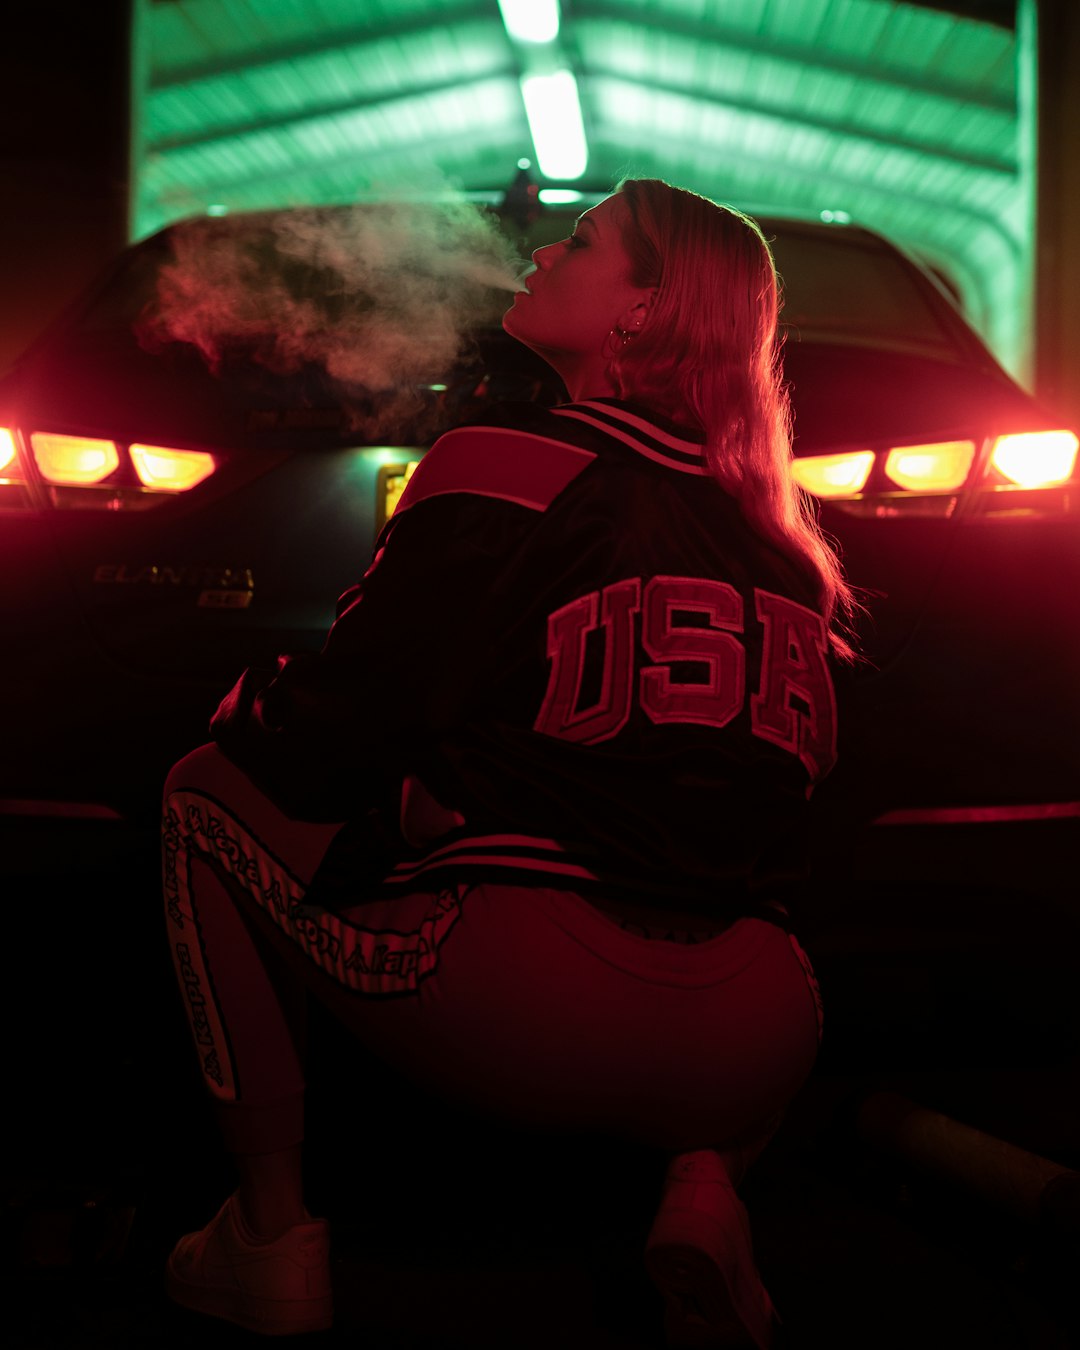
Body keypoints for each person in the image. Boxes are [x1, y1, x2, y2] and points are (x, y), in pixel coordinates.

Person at [160, 178, 857, 1348]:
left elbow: (328, 739)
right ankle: (705, 1191)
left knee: (199, 792)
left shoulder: (501, 461)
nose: (537, 251)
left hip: (545, 1004)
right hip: (759, 1038)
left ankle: (268, 1238)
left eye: (581, 242)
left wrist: (288, 725)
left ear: (642, 312)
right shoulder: (783, 544)